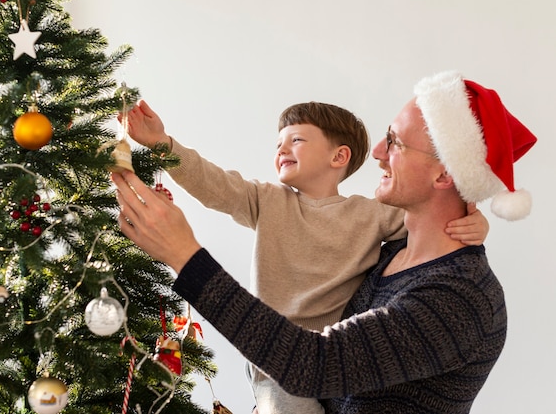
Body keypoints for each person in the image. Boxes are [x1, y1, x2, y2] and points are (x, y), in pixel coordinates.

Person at [114, 70, 537, 413]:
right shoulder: (388, 253)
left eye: (395, 141)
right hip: (274, 370)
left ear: (445, 175)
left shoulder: (455, 296)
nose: (376, 152)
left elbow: (312, 363)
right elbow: (216, 184)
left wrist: (185, 258)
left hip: (297, 364)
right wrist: (163, 146)